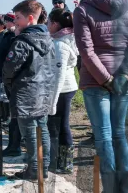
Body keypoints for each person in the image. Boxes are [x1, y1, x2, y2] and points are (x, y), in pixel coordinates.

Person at [73, 0, 128, 191]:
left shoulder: (83, 10)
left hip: (96, 80)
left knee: (104, 136)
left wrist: (105, 79)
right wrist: (123, 74)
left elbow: (86, 51)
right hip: (122, 79)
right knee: (119, 133)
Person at [3, 0, 56, 180]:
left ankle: (34, 169)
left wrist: (9, 83)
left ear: (30, 18)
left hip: (25, 93)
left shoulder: (23, 42)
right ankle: (43, 167)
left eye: (18, 17)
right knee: (42, 129)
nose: (15, 21)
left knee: (30, 133)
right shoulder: (48, 39)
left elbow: (9, 69)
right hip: (44, 92)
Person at [47, 9, 79, 173]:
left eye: (48, 22)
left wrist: (52, 102)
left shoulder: (60, 45)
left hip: (63, 90)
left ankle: (66, 163)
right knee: (57, 126)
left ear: (55, 24)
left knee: (62, 126)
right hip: (62, 89)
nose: (46, 25)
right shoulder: (62, 40)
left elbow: (59, 75)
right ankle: (57, 160)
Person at [1, 12, 22, 157]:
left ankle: (16, 147)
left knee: (18, 118)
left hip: (19, 84)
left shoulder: (20, 40)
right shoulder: (9, 36)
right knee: (15, 117)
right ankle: (13, 146)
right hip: (12, 82)